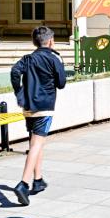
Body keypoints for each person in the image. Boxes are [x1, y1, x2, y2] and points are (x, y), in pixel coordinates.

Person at [10, 26, 66, 206]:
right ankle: (24, 183)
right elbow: (62, 82)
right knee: (36, 144)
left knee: (35, 142)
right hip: (45, 106)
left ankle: (38, 179)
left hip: (28, 107)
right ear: (50, 41)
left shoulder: (28, 58)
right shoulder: (53, 57)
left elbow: (14, 72)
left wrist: (19, 91)